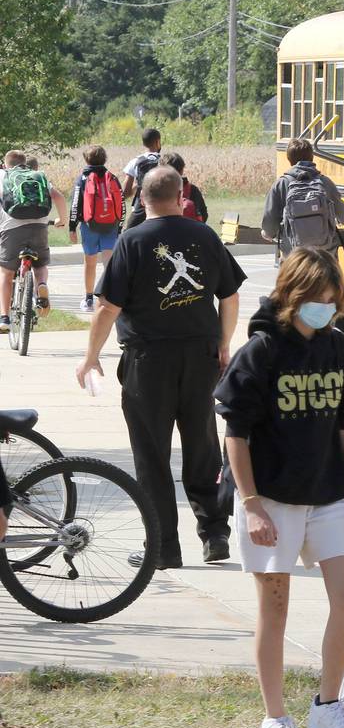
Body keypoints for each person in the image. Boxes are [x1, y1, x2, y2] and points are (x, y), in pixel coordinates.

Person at [214, 247, 344, 728]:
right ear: (292, 295)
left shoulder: (338, 349)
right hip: (271, 498)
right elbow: (237, 433)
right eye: (315, 298)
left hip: (329, 496)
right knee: (275, 608)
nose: (325, 306)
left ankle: (327, 705)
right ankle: (274, 720)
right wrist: (250, 504)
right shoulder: (262, 351)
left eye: (332, 298)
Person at [76, 166, 245, 569]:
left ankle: (164, 547)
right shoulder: (204, 235)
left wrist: (91, 356)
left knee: (151, 455)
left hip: (148, 361)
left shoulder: (131, 241)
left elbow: (108, 306)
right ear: (181, 193)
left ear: (142, 198)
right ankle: (215, 532)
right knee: (202, 445)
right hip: (200, 355)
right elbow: (231, 296)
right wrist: (223, 345)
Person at [1, 150, 68, 332]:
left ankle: (4, 318)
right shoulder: (39, 176)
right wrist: (62, 220)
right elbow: (59, 197)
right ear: (25, 163)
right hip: (39, 226)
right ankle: (41, 286)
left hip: (11, 229)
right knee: (40, 265)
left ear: (6, 164)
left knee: (6, 273)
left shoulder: (3, 176)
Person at [262, 138, 344, 254]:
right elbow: (343, 216)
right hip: (324, 256)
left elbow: (269, 225)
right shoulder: (325, 182)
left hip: (294, 257)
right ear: (311, 157)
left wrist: (268, 233)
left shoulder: (282, 184)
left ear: (289, 159)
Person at [69, 145, 125, 313]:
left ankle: (88, 299)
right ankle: (111, 298)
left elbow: (75, 205)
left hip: (89, 226)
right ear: (105, 158)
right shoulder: (112, 178)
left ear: (86, 160)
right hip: (111, 224)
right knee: (109, 263)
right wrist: (119, 226)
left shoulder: (82, 179)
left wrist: (72, 227)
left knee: (90, 263)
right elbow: (121, 204)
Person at [121, 128, 163, 231]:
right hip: (163, 206)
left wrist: (138, 186)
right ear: (158, 141)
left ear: (143, 143)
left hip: (140, 206)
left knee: (128, 234)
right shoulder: (166, 160)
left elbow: (125, 192)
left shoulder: (135, 161)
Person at [160, 151, 209, 223]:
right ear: (182, 170)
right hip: (191, 231)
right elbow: (204, 215)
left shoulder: (158, 190)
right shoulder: (193, 190)